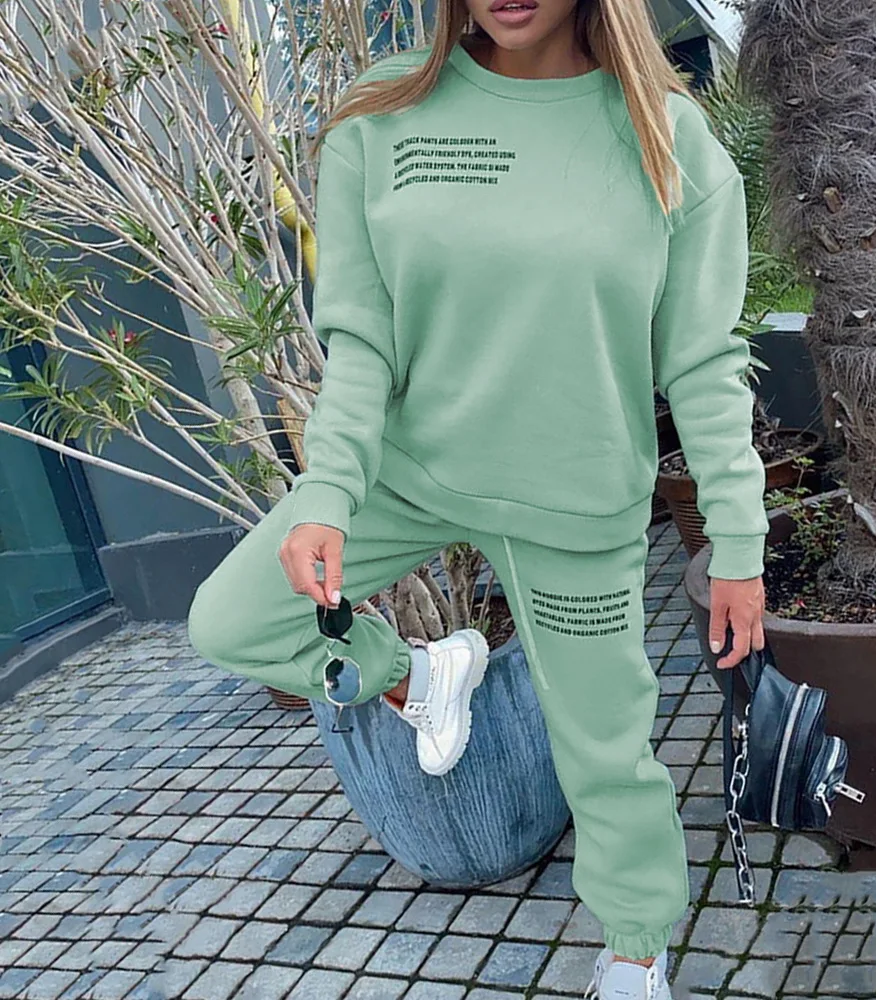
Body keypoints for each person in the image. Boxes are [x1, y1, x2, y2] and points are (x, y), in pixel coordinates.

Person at [187, 0, 768, 995]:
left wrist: (739, 544)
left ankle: (635, 948)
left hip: (574, 502)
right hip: (409, 471)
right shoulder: (383, 113)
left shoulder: (669, 138)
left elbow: (705, 364)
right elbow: (360, 339)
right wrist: (327, 491)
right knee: (233, 616)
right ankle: (419, 676)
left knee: (605, 750)